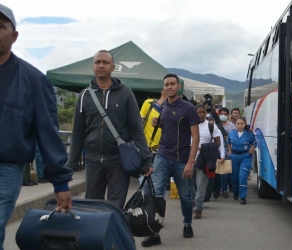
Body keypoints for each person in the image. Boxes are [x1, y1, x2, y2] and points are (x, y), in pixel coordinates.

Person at [0, 4, 73, 249]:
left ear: (14, 36)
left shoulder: (32, 79)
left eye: (0, 26)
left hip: (6, 168)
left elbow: (48, 132)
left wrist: (60, 183)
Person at [66, 50, 153, 209]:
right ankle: (95, 235)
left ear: (113, 67)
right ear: (92, 67)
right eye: (97, 62)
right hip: (92, 160)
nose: (101, 65)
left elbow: (136, 129)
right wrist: (70, 166)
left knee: (115, 207)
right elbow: (78, 133)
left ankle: (111, 234)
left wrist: (147, 159)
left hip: (118, 161)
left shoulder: (126, 93)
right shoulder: (84, 96)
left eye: (105, 62)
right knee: (92, 206)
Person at [141, 74, 200, 247]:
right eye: (166, 84)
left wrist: (190, 162)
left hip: (182, 158)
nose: (169, 87)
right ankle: (154, 232)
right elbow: (170, 126)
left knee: (186, 196)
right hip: (162, 156)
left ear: (179, 86)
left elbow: (195, 137)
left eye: (172, 84)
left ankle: (187, 223)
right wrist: (157, 123)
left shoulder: (188, 108)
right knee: (155, 194)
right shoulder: (163, 106)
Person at [192, 105, 220, 219]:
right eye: (199, 112)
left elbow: (218, 143)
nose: (201, 114)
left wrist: (205, 147)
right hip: (188, 158)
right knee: (188, 185)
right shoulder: (188, 125)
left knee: (201, 185)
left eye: (203, 112)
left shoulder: (211, 126)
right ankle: (194, 201)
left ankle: (198, 208)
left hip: (203, 160)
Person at [227, 117, 256, 204]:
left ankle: (243, 197)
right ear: (235, 125)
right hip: (234, 156)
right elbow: (228, 142)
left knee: (243, 176)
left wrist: (252, 148)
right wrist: (229, 151)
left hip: (245, 156)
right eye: (238, 124)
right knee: (234, 177)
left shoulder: (249, 134)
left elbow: (254, 142)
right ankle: (236, 191)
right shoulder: (231, 133)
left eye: (242, 124)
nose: (240, 125)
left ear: (245, 124)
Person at [216, 107, 236, 198]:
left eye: (225, 114)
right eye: (221, 113)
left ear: (228, 115)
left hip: (227, 151)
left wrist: (228, 138)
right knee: (216, 172)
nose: (223, 115)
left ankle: (224, 190)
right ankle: (216, 190)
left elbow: (235, 137)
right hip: (216, 150)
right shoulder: (215, 125)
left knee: (224, 172)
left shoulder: (232, 126)